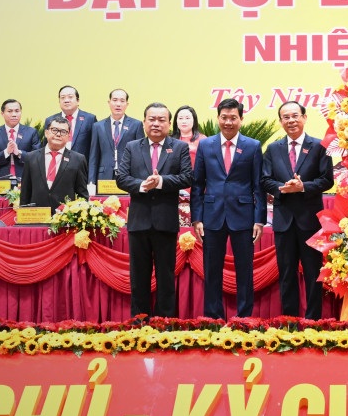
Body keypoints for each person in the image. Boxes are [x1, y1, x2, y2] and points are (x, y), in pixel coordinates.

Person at [191, 98, 266, 319]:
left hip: (243, 217)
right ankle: (213, 318)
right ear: (218, 118)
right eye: (224, 117)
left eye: (233, 118)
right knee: (212, 270)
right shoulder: (206, 145)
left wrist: (259, 219)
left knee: (245, 270)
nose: (228, 122)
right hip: (211, 216)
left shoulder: (252, 146)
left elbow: (258, 186)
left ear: (241, 119)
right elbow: (198, 184)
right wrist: (197, 218)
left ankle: (244, 318)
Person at [115, 103, 192, 318]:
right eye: (152, 119)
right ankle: (139, 321)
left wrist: (160, 182)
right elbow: (121, 178)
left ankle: (165, 321)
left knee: (166, 277)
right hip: (139, 221)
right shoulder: (132, 147)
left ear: (169, 123)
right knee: (139, 277)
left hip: (165, 221)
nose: (156, 124)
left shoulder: (179, 147)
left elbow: (187, 177)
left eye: (161, 120)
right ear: (144, 122)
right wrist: (142, 185)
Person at [260, 101, 334, 318]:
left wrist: (303, 187)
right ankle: (290, 321)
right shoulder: (273, 149)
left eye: (295, 116)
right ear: (280, 121)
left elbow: (327, 180)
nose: (291, 120)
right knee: (286, 273)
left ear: (304, 117)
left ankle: (313, 320)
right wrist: (282, 188)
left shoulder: (319, 146)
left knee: (313, 273)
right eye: (286, 117)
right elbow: (265, 179)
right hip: (283, 221)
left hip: (309, 220)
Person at [20, 116, 88, 213]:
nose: (58, 134)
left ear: (69, 136)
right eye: (54, 130)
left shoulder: (78, 159)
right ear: (46, 132)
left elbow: (82, 196)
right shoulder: (31, 158)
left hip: (64, 217)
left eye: (63, 132)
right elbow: (25, 193)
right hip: (36, 215)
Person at [88, 88, 144, 195]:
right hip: (104, 177)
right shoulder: (98, 126)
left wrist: (140, 180)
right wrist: (91, 182)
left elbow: (140, 155)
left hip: (128, 175)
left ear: (127, 104)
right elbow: (93, 156)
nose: (118, 104)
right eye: (115, 100)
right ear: (109, 102)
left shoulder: (136, 125)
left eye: (122, 101)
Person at [0, 99, 40, 183]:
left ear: (21, 112)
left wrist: (19, 153)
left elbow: (37, 158)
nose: (14, 114)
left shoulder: (31, 132)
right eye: (10, 111)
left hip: (25, 179)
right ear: (2, 113)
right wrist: (6, 152)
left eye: (17, 111)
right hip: (1, 181)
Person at [43, 85, 97, 159]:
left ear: (78, 100)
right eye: (62, 97)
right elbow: (45, 146)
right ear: (59, 101)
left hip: (81, 164)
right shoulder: (50, 120)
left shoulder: (89, 119)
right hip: (57, 162)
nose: (66, 100)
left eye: (70, 97)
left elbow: (94, 147)